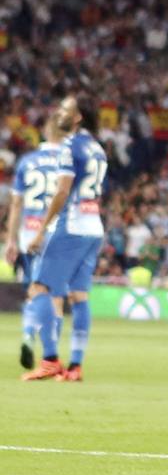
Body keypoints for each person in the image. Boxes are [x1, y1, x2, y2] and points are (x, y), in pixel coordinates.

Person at [23, 96, 108, 382]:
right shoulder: (98, 149)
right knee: (79, 296)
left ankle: (49, 359)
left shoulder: (70, 146)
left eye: (65, 108)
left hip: (71, 226)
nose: (60, 112)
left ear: (78, 116)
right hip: (93, 226)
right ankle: (75, 366)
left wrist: (41, 230)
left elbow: (62, 192)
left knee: (39, 288)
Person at [3, 116, 73, 370]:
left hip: (28, 234)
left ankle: (28, 335)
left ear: (44, 133)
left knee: (34, 290)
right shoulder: (68, 162)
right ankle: (51, 355)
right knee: (55, 296)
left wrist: (11, 240)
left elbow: (17, 205)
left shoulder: (27, 162)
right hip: (57, 235)